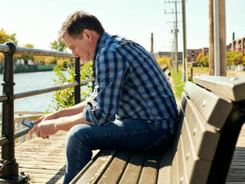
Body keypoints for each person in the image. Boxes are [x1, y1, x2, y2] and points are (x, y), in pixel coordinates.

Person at [30, 11, 178, 184]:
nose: (74, 55)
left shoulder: (109, 54)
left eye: (73, 47)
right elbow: (96, 101)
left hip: (156, 130)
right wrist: (57, 115)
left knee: (78, 136)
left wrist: (55, 126)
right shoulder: (112, 48)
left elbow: (99, 115)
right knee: (78, 132)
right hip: (154, 125)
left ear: (87, 35)